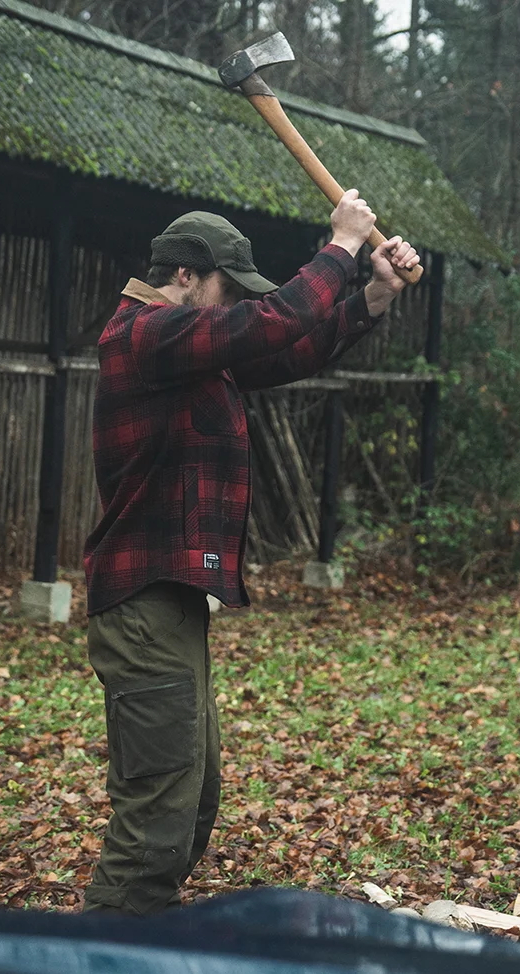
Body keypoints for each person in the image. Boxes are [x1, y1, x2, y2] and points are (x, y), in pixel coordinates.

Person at [79, 191, 420, 914]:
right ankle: (107, 951)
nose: (231, 309)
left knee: (191, 799)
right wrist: (343, 245)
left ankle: (141, 942)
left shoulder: (189, 350)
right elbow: (272, 320)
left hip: (171, 608)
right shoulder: (144, 336)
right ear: (184, 277)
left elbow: (288, 345)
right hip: (143, 608)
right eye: (226, 291)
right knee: (154, 826)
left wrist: (375, 296)